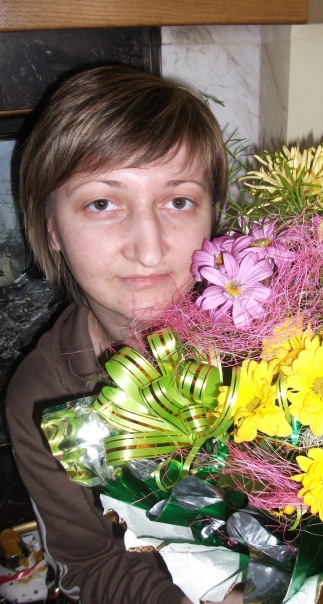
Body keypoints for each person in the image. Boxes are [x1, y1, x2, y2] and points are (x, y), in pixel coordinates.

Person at [5, 64, 242, 604]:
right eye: (102, 203)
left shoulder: (277, 335)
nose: (150, 249)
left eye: (178, 201)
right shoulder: (42, 396)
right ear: (51, 227)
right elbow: (89, 563)